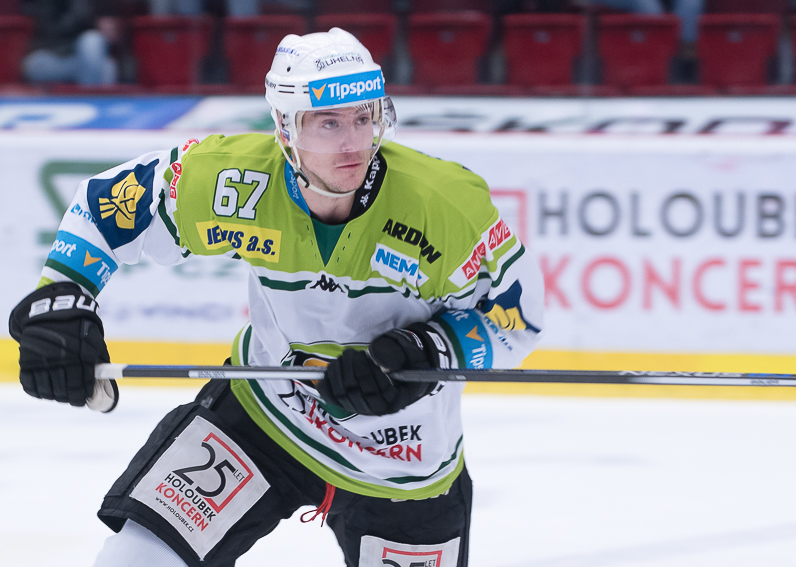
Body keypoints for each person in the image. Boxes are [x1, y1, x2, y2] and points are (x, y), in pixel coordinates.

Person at [8, 27, 544, 567]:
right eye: (328, 123)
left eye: (364, 118)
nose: (353, 143)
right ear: (285, 128)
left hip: (404, 458)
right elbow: (107, 206)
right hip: (265, 417)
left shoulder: (446, 207)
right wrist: (63, 298)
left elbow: (516, 318)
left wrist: (425, 353)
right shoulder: (232, 180)